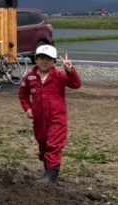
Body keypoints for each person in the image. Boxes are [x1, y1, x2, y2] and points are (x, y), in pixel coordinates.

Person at [18, 43, 81, 184]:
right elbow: (23, 95)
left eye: (48, 59)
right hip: (39, 119)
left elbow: (76, 84)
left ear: (54, 62)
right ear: (36, 59)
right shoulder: (30, 78)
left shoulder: (59, 76)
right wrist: (27, 108)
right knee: (43, 145)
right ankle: (47, 171)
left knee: (53, 145)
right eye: (41, 58)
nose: (44, 61)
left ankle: (50, 177)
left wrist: (70, 71)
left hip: (57, 118)